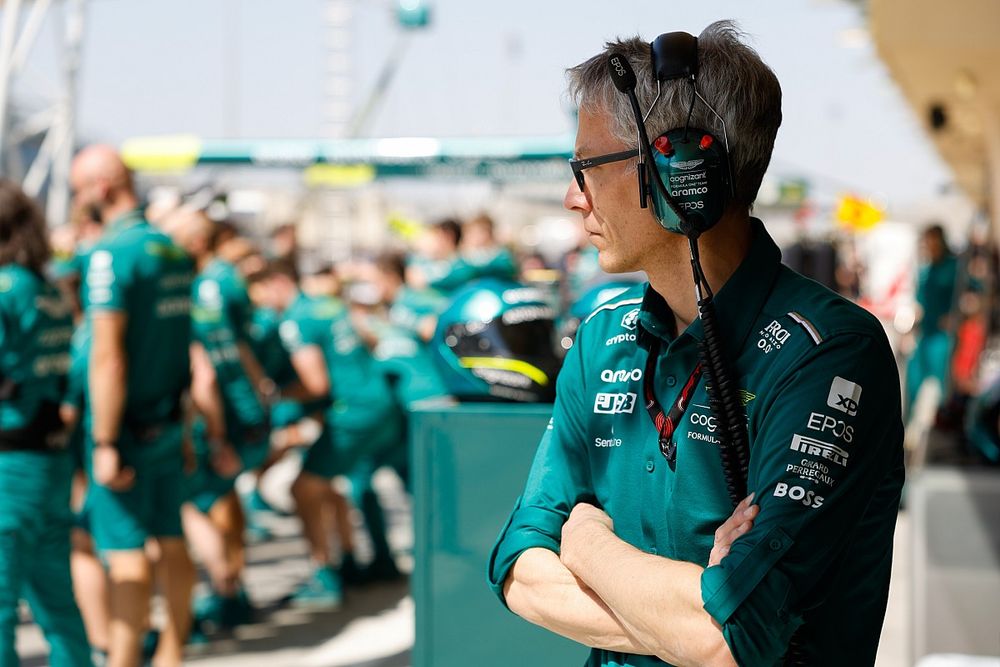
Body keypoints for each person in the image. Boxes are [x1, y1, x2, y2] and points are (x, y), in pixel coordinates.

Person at [489, 23, 904, 667]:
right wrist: (682, 614)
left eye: (585, 169)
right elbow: (519, 569)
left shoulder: (829, 351)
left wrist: (586, 540)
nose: (573, 199)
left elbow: (727, 637)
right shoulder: (602, 338)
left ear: (682, 170)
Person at [70, 145, 196, 667]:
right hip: (167, 421)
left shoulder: (111, 253)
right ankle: (169, 656)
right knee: (170, 539)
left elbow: (108, 358)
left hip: (125, 430)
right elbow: (182, 346)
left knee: (125, 555)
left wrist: (102, 440)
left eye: (79, 191)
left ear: (101, 189)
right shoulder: (169, 248)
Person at [249, 261, 406, 600]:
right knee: (327, 485)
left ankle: (324, 573)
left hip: (352, 412)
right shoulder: (330, 304)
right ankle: (347, 559)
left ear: (276, 282)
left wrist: (272, 394)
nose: (261, 303)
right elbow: (369, 338)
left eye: (260, 294)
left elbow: (315, 383)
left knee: (302, 489)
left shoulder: (295, 318)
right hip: (379, 404)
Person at [0, 180, 91, 666]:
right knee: (56, 604)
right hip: (49, 461)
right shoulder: (48, 289)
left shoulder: (4, 289)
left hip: (9, 465)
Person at [167, 208, 269, 635]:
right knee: (226, 498)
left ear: (194, 243)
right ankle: (234, 589)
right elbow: (245, 342)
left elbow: (204, 371)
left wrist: (214, 432)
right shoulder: (227, 279)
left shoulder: (191, 288)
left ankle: (222, 589)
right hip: (242, 404)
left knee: (190, 505)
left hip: (217, 412)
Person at [905, 224, 958, 417]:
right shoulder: (925, 270)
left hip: (943, 338)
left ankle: (945, 424)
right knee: (912, 384)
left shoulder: (955, 267)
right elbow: (920, 302)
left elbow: (973, 295)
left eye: (933, 240)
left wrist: (958, 315)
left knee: (944, 388)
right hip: (924, 335)